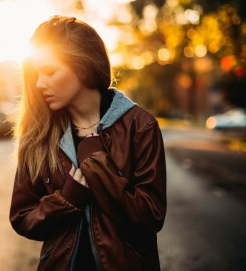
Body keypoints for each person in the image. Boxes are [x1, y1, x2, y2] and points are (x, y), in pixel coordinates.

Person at [9, 15, 167, 271]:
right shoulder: (39, 134)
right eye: (36, 73)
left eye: (49, 71)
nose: (39, 83)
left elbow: (152, 217)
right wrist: (67, 200)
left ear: (82, 67)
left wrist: (100, 169)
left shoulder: (140, 127)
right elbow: (22, 216)